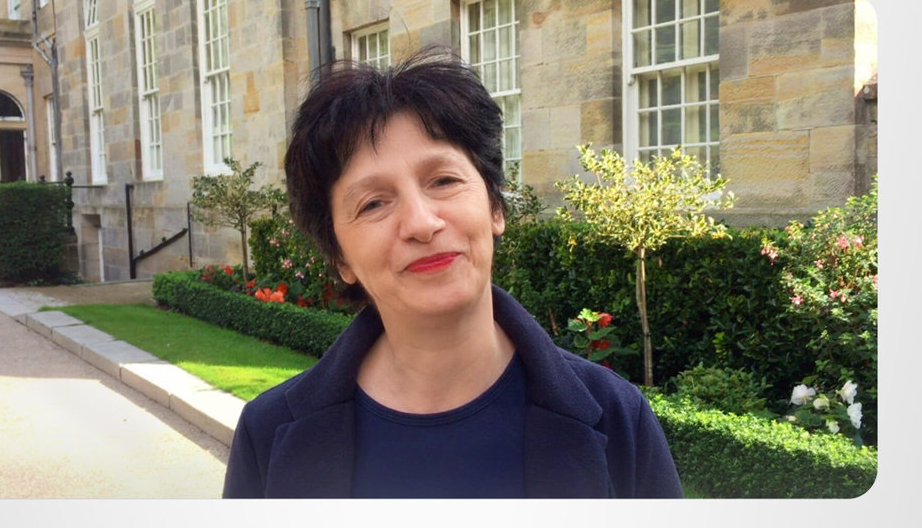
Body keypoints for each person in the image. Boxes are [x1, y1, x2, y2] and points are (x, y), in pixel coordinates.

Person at [222, 46, 683, 498]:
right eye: (373, 203)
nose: (422, 223)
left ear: (495, 206)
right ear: (340, 256)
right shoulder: (268, 436)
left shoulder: (619, 419)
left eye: (443, 181)